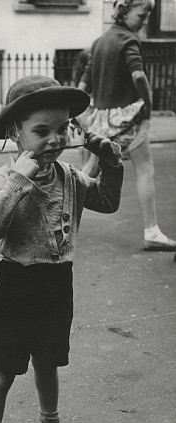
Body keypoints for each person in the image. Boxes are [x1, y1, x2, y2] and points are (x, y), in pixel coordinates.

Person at [0, 75, 124, 423]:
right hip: (17, 284)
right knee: (2, 371)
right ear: (14, 133)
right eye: (42, 131)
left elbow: (108, 202)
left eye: (62, 129)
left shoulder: (70, 177)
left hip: (57, 284)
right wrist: (19, 180)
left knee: (48, 362)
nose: (54, 139)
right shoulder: (1, 178)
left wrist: (111, 162)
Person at [78, 0, 176, 252]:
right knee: (145, 168)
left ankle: (58, 215)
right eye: (142, 15)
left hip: (101, 118)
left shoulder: (99, 43)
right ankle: (152, 231)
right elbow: (139, 76)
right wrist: (148, 101)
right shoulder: (129, 41)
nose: (143, 21)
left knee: (90, 168)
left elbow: (82, 85)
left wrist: (80, 114)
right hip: (127, 116)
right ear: (124, 11)